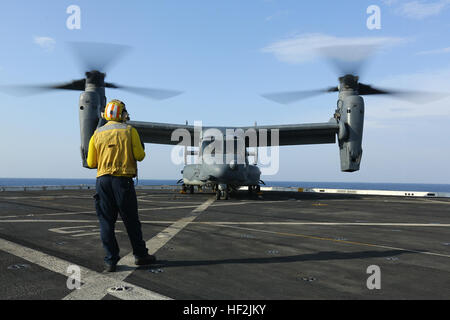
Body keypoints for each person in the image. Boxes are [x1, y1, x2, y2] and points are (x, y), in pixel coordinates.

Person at [87, 99, 156, 272]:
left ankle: (111, 260)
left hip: (102, 182)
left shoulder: (97, 134)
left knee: (106, 222)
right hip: (122, 182)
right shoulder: (129, 130)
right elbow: (140, 156)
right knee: (131, 221)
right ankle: (140, 255)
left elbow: (90, 162)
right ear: (122, 114)